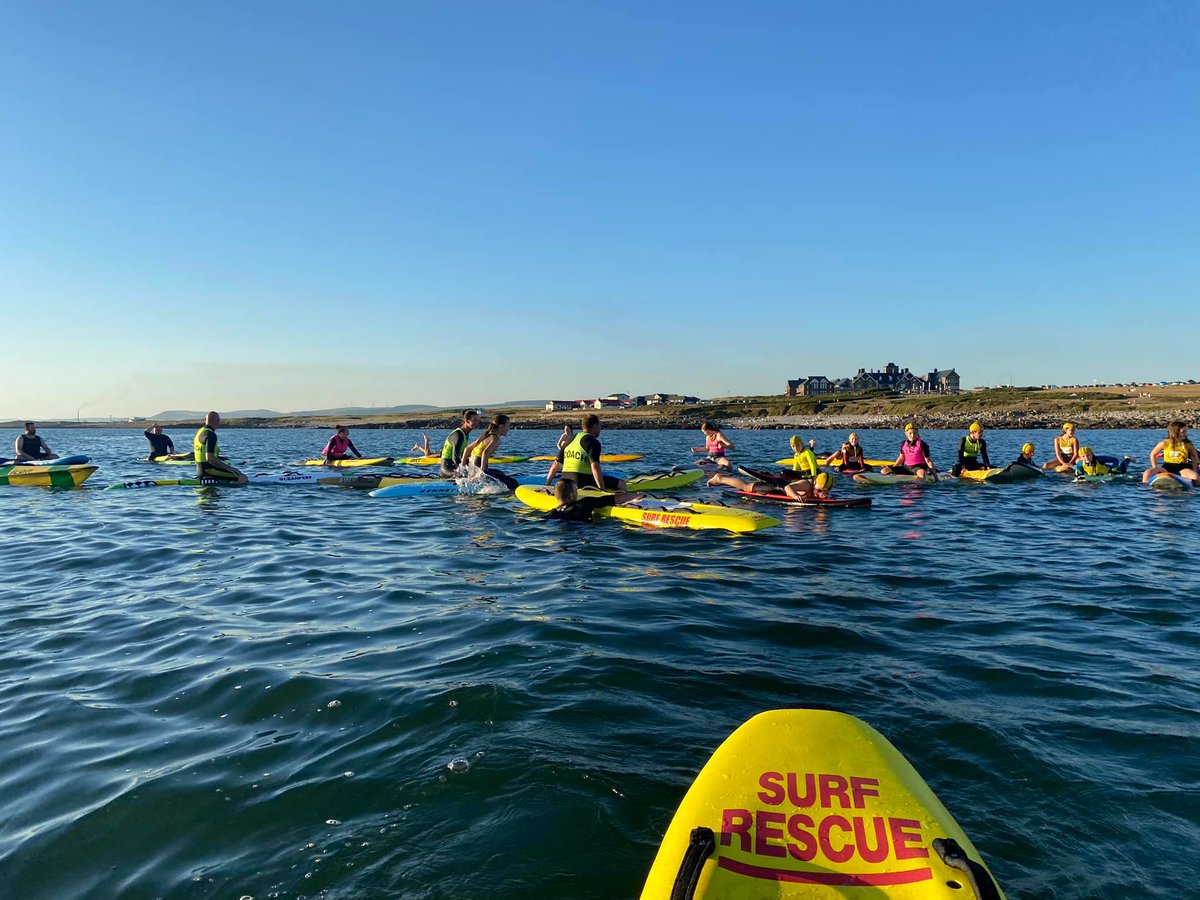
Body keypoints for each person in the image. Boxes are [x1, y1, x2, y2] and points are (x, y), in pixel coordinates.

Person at [546, 414, 626, 491]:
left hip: (565, 480)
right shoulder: (592, 441)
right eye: (599, 426)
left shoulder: (570, 439)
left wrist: (547, 485)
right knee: (622, 484)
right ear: (595, 426)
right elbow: (595, 467)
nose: (600, 429)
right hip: (582, 481)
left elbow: (556, 464)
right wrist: (602, 489)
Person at [462, 414, 519, 490]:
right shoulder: (495, 439)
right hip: (478, 470)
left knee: (500, 473)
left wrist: (461, 467)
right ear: (501, 426)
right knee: (513, 483)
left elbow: (467, 449)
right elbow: (485, 453)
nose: (508, 429)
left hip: (472, 469)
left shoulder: (486, 435)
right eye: (508, 426)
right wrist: (481, 472)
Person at [545, 479, 642, 522]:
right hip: (578, 530)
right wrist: (637, 495)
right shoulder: (584, 503)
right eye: (576, 491)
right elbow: (615, 499)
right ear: (571, 495)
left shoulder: (551, 513)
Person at [193, 411, 247, 484]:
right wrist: (228, 468)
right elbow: (209, 458)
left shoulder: (199, 432)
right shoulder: (210, 435)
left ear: (204, 420)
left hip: (199, 471)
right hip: (209, 471)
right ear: (218, 422)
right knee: (243, 477)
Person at [708, 470, 833, 501]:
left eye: (825, 491)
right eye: (820, 490)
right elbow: (787, 488)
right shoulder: (806, 484)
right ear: (815, 484)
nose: (822, 493)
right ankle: (720, 478)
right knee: (746, 487)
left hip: (782, 488)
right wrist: (795, 496)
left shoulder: (818, 488)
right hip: (777, 486)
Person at [440, 410, 479, 477]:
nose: (477, 422)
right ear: (466, 421)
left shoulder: (465, 434)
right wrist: (464, 471)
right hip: (447, 468)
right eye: (474, 420)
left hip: (454, 465)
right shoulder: (458, 434)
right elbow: (455, 458)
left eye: (477, 420)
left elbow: (463, 455)